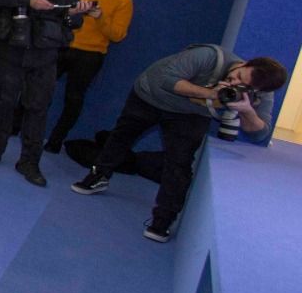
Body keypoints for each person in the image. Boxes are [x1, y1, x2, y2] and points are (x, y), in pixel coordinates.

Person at [71, 47, 287, 239]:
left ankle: (162, 222)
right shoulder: (208, 56)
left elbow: (259, 133)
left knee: (179, 164)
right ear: (245, 63)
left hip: (188, 114)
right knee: (120, 137)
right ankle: (97, 176)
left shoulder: (260, 93)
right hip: (149, 95)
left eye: (244, 86)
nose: (235, 84)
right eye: (238, 75)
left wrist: (247, 110)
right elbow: (169, 80)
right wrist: (211, 94)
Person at [0, 0, 94, 186]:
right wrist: (28, 1)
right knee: (3, 103)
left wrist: (74, 14)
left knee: (38, 108)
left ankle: (29, 162)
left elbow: (75, 22)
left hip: (45, 57)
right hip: (9, 52)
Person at [46, 0, 135, 153]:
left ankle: (55, 140)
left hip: (91, 55)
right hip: (64, 47)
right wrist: (71, 13)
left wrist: (100, 18)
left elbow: (118, 35)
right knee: (40, 88)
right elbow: (54, 17)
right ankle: (18, 127)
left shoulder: (123, 1)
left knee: (74, 98)